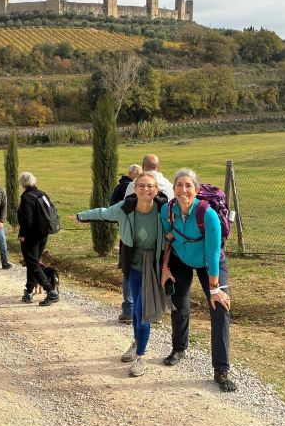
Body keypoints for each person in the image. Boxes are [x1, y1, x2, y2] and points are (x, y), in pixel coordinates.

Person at [78, 171, 171, 376]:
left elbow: (178, 226)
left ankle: (141, 356)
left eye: (150, 186)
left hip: (153, 267)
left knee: (141, 312)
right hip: (132, 265)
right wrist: (81, 216)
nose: (146, 189)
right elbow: (103, 212)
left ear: (156, 190)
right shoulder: (125, 208)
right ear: (135, 188)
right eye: (142, 186)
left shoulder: (163, 210)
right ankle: (137, 342)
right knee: (137, 311)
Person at [160, 168, 236, 392]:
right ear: (173, 189)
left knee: (220, 308)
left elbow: (213, 254)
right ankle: (179, 349)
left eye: (188, 185)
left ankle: (221, 369)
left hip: (209, 264)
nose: (183, 190)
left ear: (196, 189)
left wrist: (214, 289)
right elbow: (168, 238)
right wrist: (165, 267)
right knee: (179, 305)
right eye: (179, 185)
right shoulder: (168, 209)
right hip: (180, 260)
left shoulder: (208, 214)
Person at [17, 171, 60, 306]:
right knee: (33, 263)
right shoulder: (42, 194)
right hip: (43, 234)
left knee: (33, 264)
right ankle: (29, 291)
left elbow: (27, 220)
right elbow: (53, 209)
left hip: (31, 237)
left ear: (22, 184)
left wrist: (22, 235)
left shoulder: (26, 198)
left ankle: (51, 292)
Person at [112, 163, 142, 324]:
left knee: (129, 271)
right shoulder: (126, 187)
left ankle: (130, 310)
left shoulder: (126, 186)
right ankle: (137, 309)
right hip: (132, 234)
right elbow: (113, 208)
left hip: (130, 234)